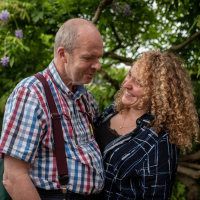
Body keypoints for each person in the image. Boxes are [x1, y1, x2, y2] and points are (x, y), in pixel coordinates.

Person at [0, 18, 104, 200]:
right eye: (88, 58)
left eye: (98, 58)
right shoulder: (31, 93)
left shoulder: (85, 97)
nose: (97, 66)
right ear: (63, 54)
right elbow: (13, 176)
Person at [95, 50, 199, 200]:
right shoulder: (114, 108)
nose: (126, 84)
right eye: (130, 75)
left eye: (138, 82)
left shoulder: (160, 140)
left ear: (158, 93)